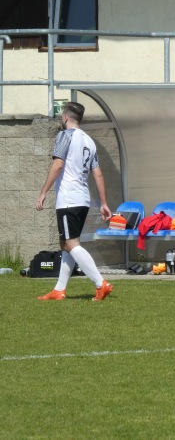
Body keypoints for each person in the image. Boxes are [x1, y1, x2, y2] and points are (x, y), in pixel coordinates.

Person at [36, 102, 114, 301]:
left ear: (65, 118)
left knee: (71, 243)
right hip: (83, 199)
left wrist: (43, 192)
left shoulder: (65, 136)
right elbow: (98, 173)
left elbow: (57, 164)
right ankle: (59, 290)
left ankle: (100, 284)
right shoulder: (89, 141)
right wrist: (104, 203)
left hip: (69, 198)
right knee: (66, 243)